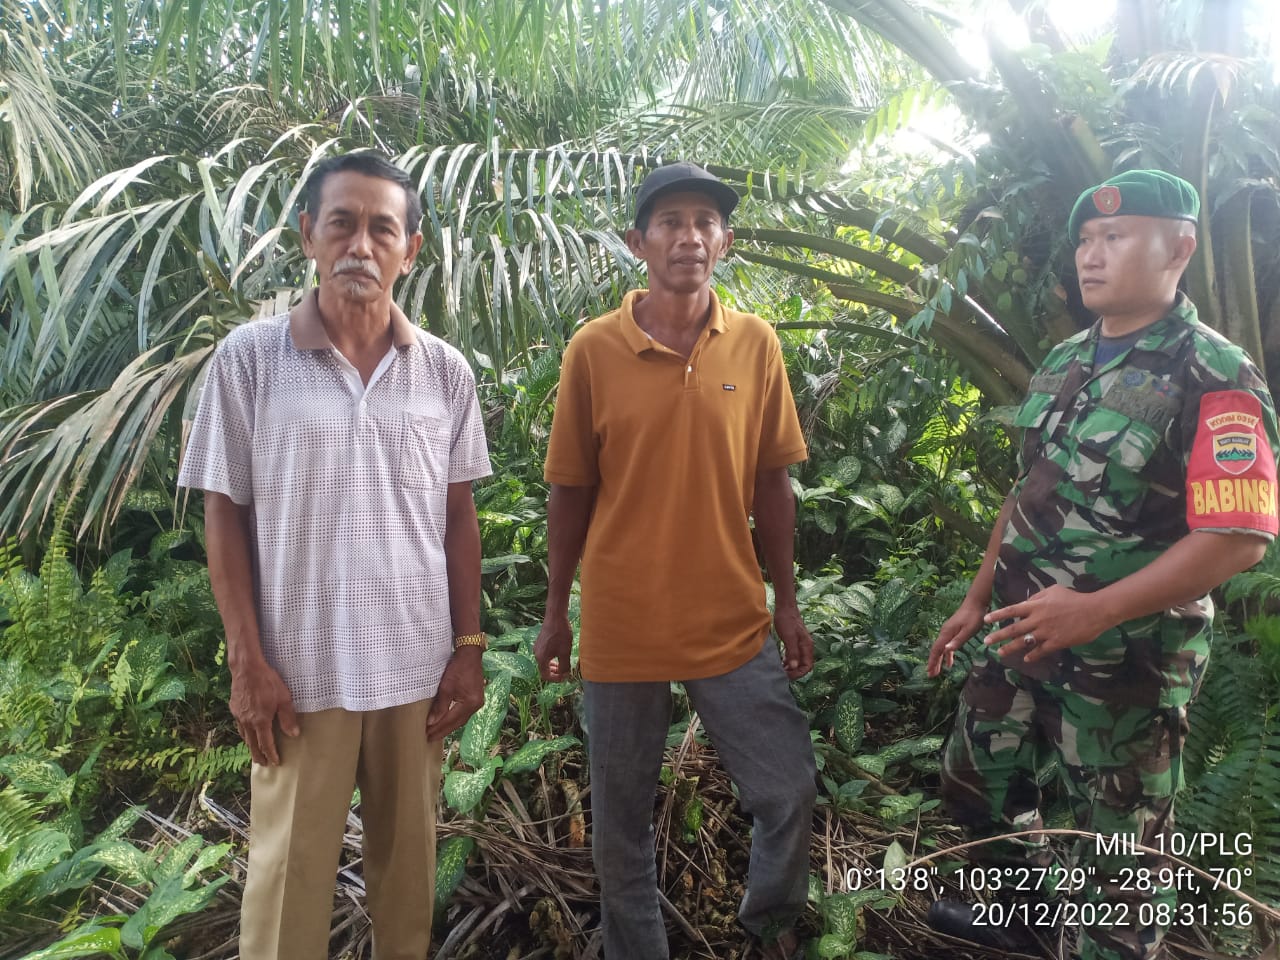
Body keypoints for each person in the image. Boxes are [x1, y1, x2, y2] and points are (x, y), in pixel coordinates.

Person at [926, 169, 1279, 960]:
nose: (1092, 254)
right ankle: (1027, 919)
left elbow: (1238, 539)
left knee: (1120, 850)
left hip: (1125, 664)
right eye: (1086, 239)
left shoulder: (1215, 374)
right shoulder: (1065, 361)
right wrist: (978, 595)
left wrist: (1094, 610)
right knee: (980, 777)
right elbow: (1029, 489)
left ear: (1178, 247)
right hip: (1020, 635)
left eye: (1116, 237)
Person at [179, 151, 493, 959]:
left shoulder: (445, 373)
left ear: (409, 249)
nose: (361, 244)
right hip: (297, 675)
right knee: (286, 891)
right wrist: (247, 661)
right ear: (307, 235)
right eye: (342, 222)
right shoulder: (250, 362)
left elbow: (459, 518)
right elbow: (224, 514)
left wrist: (468, 649)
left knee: (406, 886)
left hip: (414, 673)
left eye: (381, 227)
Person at [534, 162, 817, 959]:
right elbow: (569, 491)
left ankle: (768, 929)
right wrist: (556, 615)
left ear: (724, 241)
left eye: (704, 222)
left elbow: (774, 483)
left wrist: (786, 603)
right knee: (621, 818)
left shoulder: (756, 345)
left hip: (731, 616)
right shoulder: (594, 351)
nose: (689, 235)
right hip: (623, 625)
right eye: (670, 222)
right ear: (638, 241)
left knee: (786, 788)